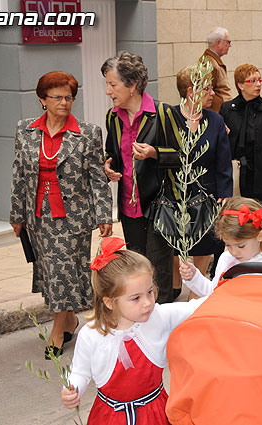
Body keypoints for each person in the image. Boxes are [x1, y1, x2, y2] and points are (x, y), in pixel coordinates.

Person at [10, 71, 112, 358]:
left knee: (62, 272)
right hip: (38, 217)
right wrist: (17, 214)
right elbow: (19, 174)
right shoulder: (25, 130)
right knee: (50, 271)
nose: (64, 103)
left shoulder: (88, 132)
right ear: (42, 99)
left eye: (69, 98)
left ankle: (57, 331)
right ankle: (69, 320)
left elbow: (96, 178)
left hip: (73, 217)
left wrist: (105, 214)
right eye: (57, 97)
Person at [60, 237, 205, 424]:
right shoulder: (91, 334)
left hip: (155, 414)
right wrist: (73, 389)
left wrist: (231, 287)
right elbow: (80, 371)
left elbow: (198, 307)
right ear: (110, 302)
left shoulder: (158, 317)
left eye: (150, 292)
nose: (147, 302)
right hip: (110, 417)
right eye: (136, 298)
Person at [102, 51, 179, 304]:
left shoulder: (163, 113)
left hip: (159, 206)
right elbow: (112, 153)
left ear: (132, 85)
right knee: (137, 273)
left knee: (158, 272)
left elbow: (183, 157)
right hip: (128, 206)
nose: (108, 91)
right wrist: (108, 166)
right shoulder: (112, 117)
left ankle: (163, 330)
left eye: (112, 84)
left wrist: (155, 153)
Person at [170, 65, 232, 298]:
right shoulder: (170, 118)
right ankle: (174, 289)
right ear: (190, 91)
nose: (212, 93)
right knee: (176, 245)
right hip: (177, 195)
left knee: (206, 243)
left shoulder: (215, 121)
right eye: (207, 88)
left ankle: (196, 291)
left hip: (208, 194)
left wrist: (224, 193)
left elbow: (223, 162)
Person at [179, 197, 262, 297]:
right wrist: (194, 277)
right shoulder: (226, 258)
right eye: (228, 245)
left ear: (260, 236)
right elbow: (214, 292)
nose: (234, 252)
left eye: (241, 246)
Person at [220, 64, 262, 211]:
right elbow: (221, 144)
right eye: (252, 81)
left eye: (259, 80)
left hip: (260, 174)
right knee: (237, 219)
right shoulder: (227, 109)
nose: (258, 84)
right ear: (240, 85)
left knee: (259, 219)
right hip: (237, 174)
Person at [200, 27, 233, 113]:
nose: (230, 45)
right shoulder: (208, 62)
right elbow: (205, 93)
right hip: (218, 112)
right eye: (228, 42)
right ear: (218, 42)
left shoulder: (211, 60)